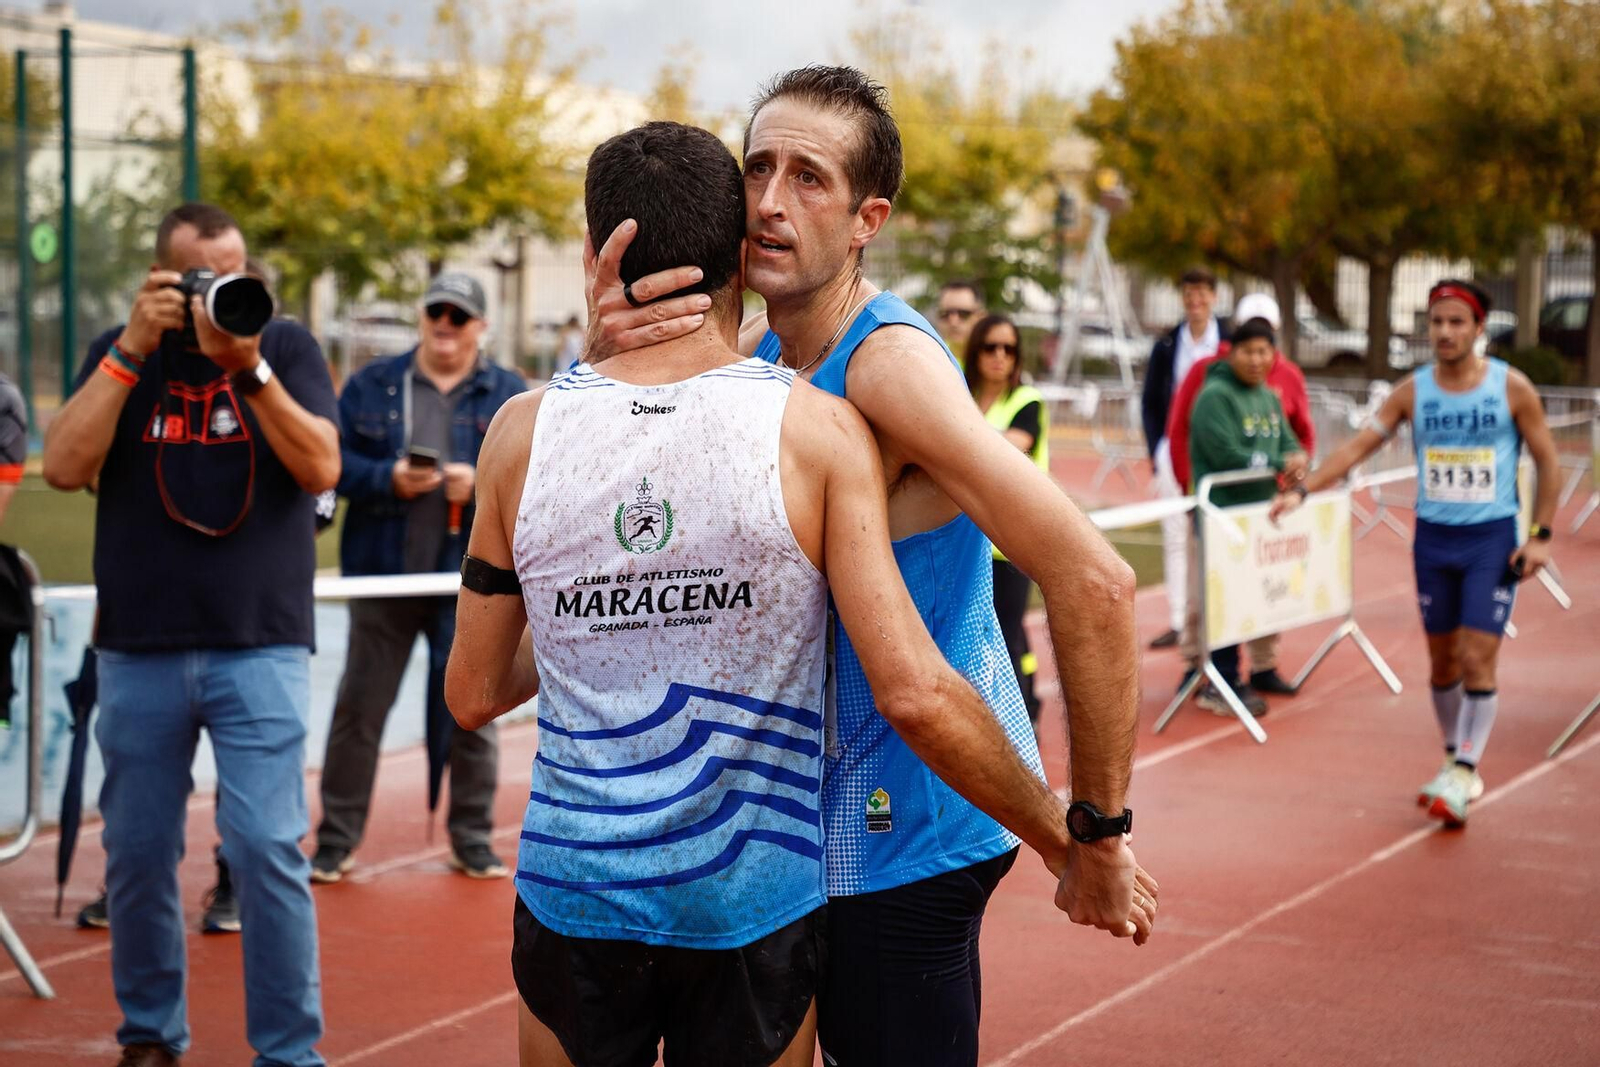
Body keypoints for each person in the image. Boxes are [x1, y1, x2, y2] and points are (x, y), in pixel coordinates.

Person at [448, 118, 1149, 1067]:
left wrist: (1088, 836)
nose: (774, 199)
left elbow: (1091, 582)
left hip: (902, 827)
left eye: (808, 177)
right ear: (729, 234)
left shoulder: (877, 372)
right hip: (779, 862)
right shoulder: (784, 387)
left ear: (870, 218)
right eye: (759, 172)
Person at [42, 202, 339, 1067]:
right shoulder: (121, 348)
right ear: (163, 279)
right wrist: (133, 348)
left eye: (233, 270)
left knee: (265, 850)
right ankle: (149, 1034)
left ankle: (288, 1053)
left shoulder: (280, 345)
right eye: (199, 276)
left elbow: (322, 465)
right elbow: (63, 465)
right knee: (135, 852)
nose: (221, 289)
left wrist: (247, 369)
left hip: (262, 642)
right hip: (138, 645)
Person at [1272, 279, 1558, 827]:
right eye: (1437, 322)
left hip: (1490, 540)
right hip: (1433, 541)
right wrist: (1303, 490)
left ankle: (1465, 766)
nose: (1445, 332)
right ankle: (1456, 757)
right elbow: (1359, 448)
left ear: (1479, 329)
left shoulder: (1511, 387)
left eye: (1457, 322)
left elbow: (1548, 460)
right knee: (1443, 662)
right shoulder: (1412, 391)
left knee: (1478, 656)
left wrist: (1540, 534)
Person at [310, 271, 525, 885]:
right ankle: (335, 842)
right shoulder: (373, 383)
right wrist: (388, 479)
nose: (445, 325)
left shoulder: (511, 394)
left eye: (459, 316)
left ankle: (473, 838)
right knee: (360, 710)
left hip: (471, 585)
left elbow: (538, 473)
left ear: (481, 325)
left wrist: (478, 487)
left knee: (472, 709)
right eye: (437, 312)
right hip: (385, 576)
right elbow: (331, 464)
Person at [1170, 291, 1315, 700]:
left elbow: (1291, 441)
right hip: (1221, 518)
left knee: (1258, 595)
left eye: (1264, 352)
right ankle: (1218, 676)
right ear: (1231, 351)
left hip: (1260, 518)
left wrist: (1296, 459)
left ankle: (1261, 668)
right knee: (1217, 599)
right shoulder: (1214, 395)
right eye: (1248, 351)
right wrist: (1276, 462)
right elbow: (1226, 455)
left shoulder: (1270, 396)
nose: (1256, 360)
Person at [964, 314, 1047, 727]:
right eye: (990, 347)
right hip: (969, 537)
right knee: (986, 630)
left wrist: (951, 436)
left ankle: (1017, 721)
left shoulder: (1027, 400)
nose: (1000, 356)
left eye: (1009, 349)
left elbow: (1013, 445)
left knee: (1006, 633)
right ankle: (1026, 706)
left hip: (1010, 541)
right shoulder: (961, 395)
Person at [1140, 267, 1224, 650]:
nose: (1196, 301)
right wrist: (1157, 449)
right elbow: (1151, 402)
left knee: (1215, 534)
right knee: (1175, 534)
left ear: (1214, 297)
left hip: (1215, 452)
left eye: (1202, 293)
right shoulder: (1168, 345)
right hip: (1173, 452)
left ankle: (1217, 615)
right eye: (1189, 294)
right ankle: (1178, 619)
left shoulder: (1230, 343)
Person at [935, 279, 985, 362]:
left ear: (980, 316)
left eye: (963, 314)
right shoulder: (930, 357)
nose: (953, 322)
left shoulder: (1000, 358)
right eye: (945, 313)